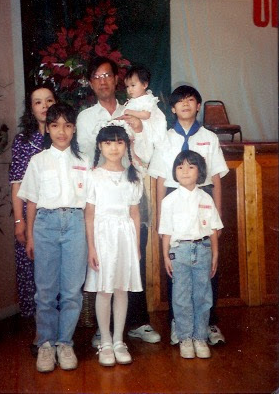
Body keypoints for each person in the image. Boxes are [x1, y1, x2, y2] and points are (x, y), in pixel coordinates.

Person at [77, 56, 160, 345]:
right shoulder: (86, 117)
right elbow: (87, 157)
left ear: (116, 79)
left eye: (107, 75)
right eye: (96, 76)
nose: (102, 80)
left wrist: (137, 129)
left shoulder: (134, 109)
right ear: (91, 83)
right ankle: (105, 330)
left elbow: (148, 150)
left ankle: (137, 322)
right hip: (102, 192)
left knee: (134, 255)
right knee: (105, 262)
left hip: (132, 187)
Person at [148, 85, 228, 346]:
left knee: (206, 265)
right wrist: (161, 217)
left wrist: (217, 213)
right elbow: (160, 180)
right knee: (177, 267)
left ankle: (209, 323)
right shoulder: (165, 139)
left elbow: (215, 177)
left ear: (198, 106)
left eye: (191, 100)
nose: (185, 104)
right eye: (180, 101)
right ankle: (177, 323)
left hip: (203, 202)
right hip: (174, 200)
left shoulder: (209, 138)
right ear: (172, 108)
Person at [17, 102, 90, 373]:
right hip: (45, 225)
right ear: (48, 129)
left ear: (74, 130)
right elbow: (32, 202)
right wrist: (31, 236)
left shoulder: (83, 163)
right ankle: (46, 344)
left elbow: (90, 204)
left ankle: (64, 342)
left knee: (72, 290)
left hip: (75, 224)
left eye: (68, 126)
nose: (62, 131)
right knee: (45, 291)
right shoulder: (38, 161)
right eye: (56, 125)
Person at [84, 121, 143, 366]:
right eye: (108, 142)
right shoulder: (94, 176)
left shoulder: (133, 176)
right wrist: (92, 248)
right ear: (100, 146)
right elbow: (89, 213)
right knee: (104, 289)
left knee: (121, 289)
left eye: (119, 142)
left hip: (125, 236)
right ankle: (105, 341)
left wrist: (137, 246)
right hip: (102, 237)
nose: (114, 148)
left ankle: (119, 340)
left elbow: (135, 213)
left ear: (126, 145)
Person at [159, 150, 223, 359]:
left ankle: (200, 337)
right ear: (174, 172)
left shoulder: (206, 198)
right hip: (180, 252)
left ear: (200, 172)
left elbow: (213, 228)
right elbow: (166, 231)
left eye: (191, 166)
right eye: (180, 167)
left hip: (203, 250)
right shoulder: (169, 200)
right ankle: (185, 337)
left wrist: (215, 253)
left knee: (203, 296)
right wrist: (166, 256)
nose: (185, 171)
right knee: (181, 297)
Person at [9, 84, 57, 321]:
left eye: (49, 100)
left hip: (58, 216)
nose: (45, 106)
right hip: (30, 217)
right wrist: (19, 221)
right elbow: (17, 184)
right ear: (31, 108)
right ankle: (41, 334)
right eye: (38, 102)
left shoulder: (62, 136)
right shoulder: (23, 141)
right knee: (33, 271)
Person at [123, 65, 167, 150]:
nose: (129, 90)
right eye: (127, 86)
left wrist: (131, 112)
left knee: (146, 148)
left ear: (144, 85)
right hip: (137, 129)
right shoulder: (133, 100)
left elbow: (146, 115)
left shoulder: (148, 99)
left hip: (148, 129)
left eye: (133, 85)